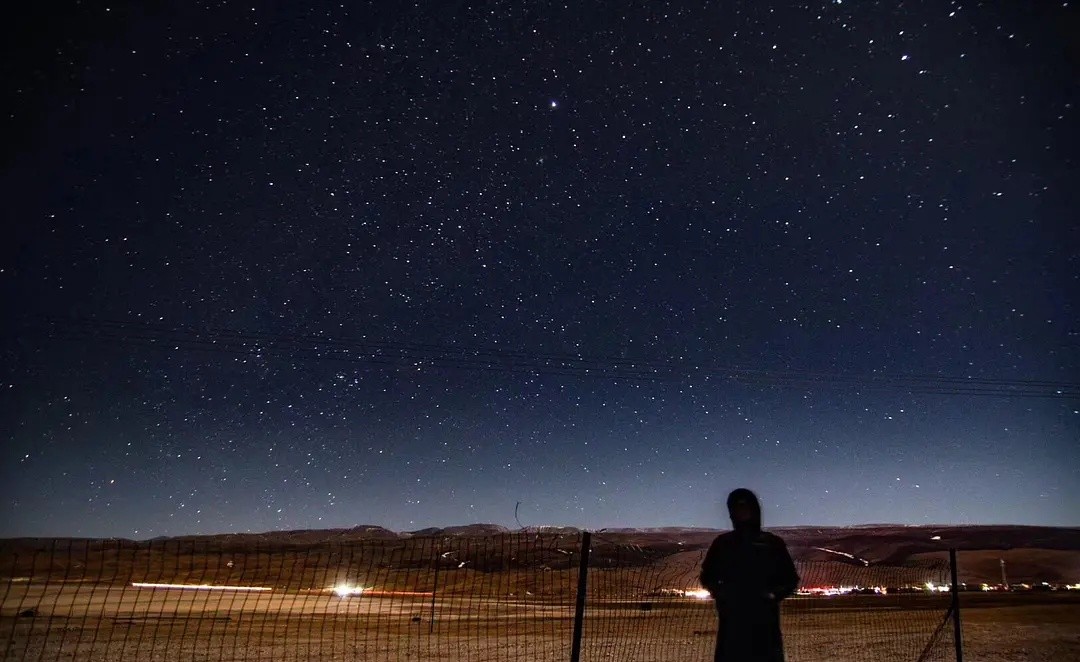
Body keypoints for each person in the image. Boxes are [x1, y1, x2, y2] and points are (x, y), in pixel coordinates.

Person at [699, 488, 799, 662]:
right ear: (731, 513)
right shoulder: (723, 544)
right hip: (732, 621)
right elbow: (707, 576)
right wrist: (722, 595)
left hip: (764, 621)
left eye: (746, 508)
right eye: (738, 509)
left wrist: (773, 595)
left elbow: (790, 578)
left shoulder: (772, 543)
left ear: (755, 510)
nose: (742, 512)